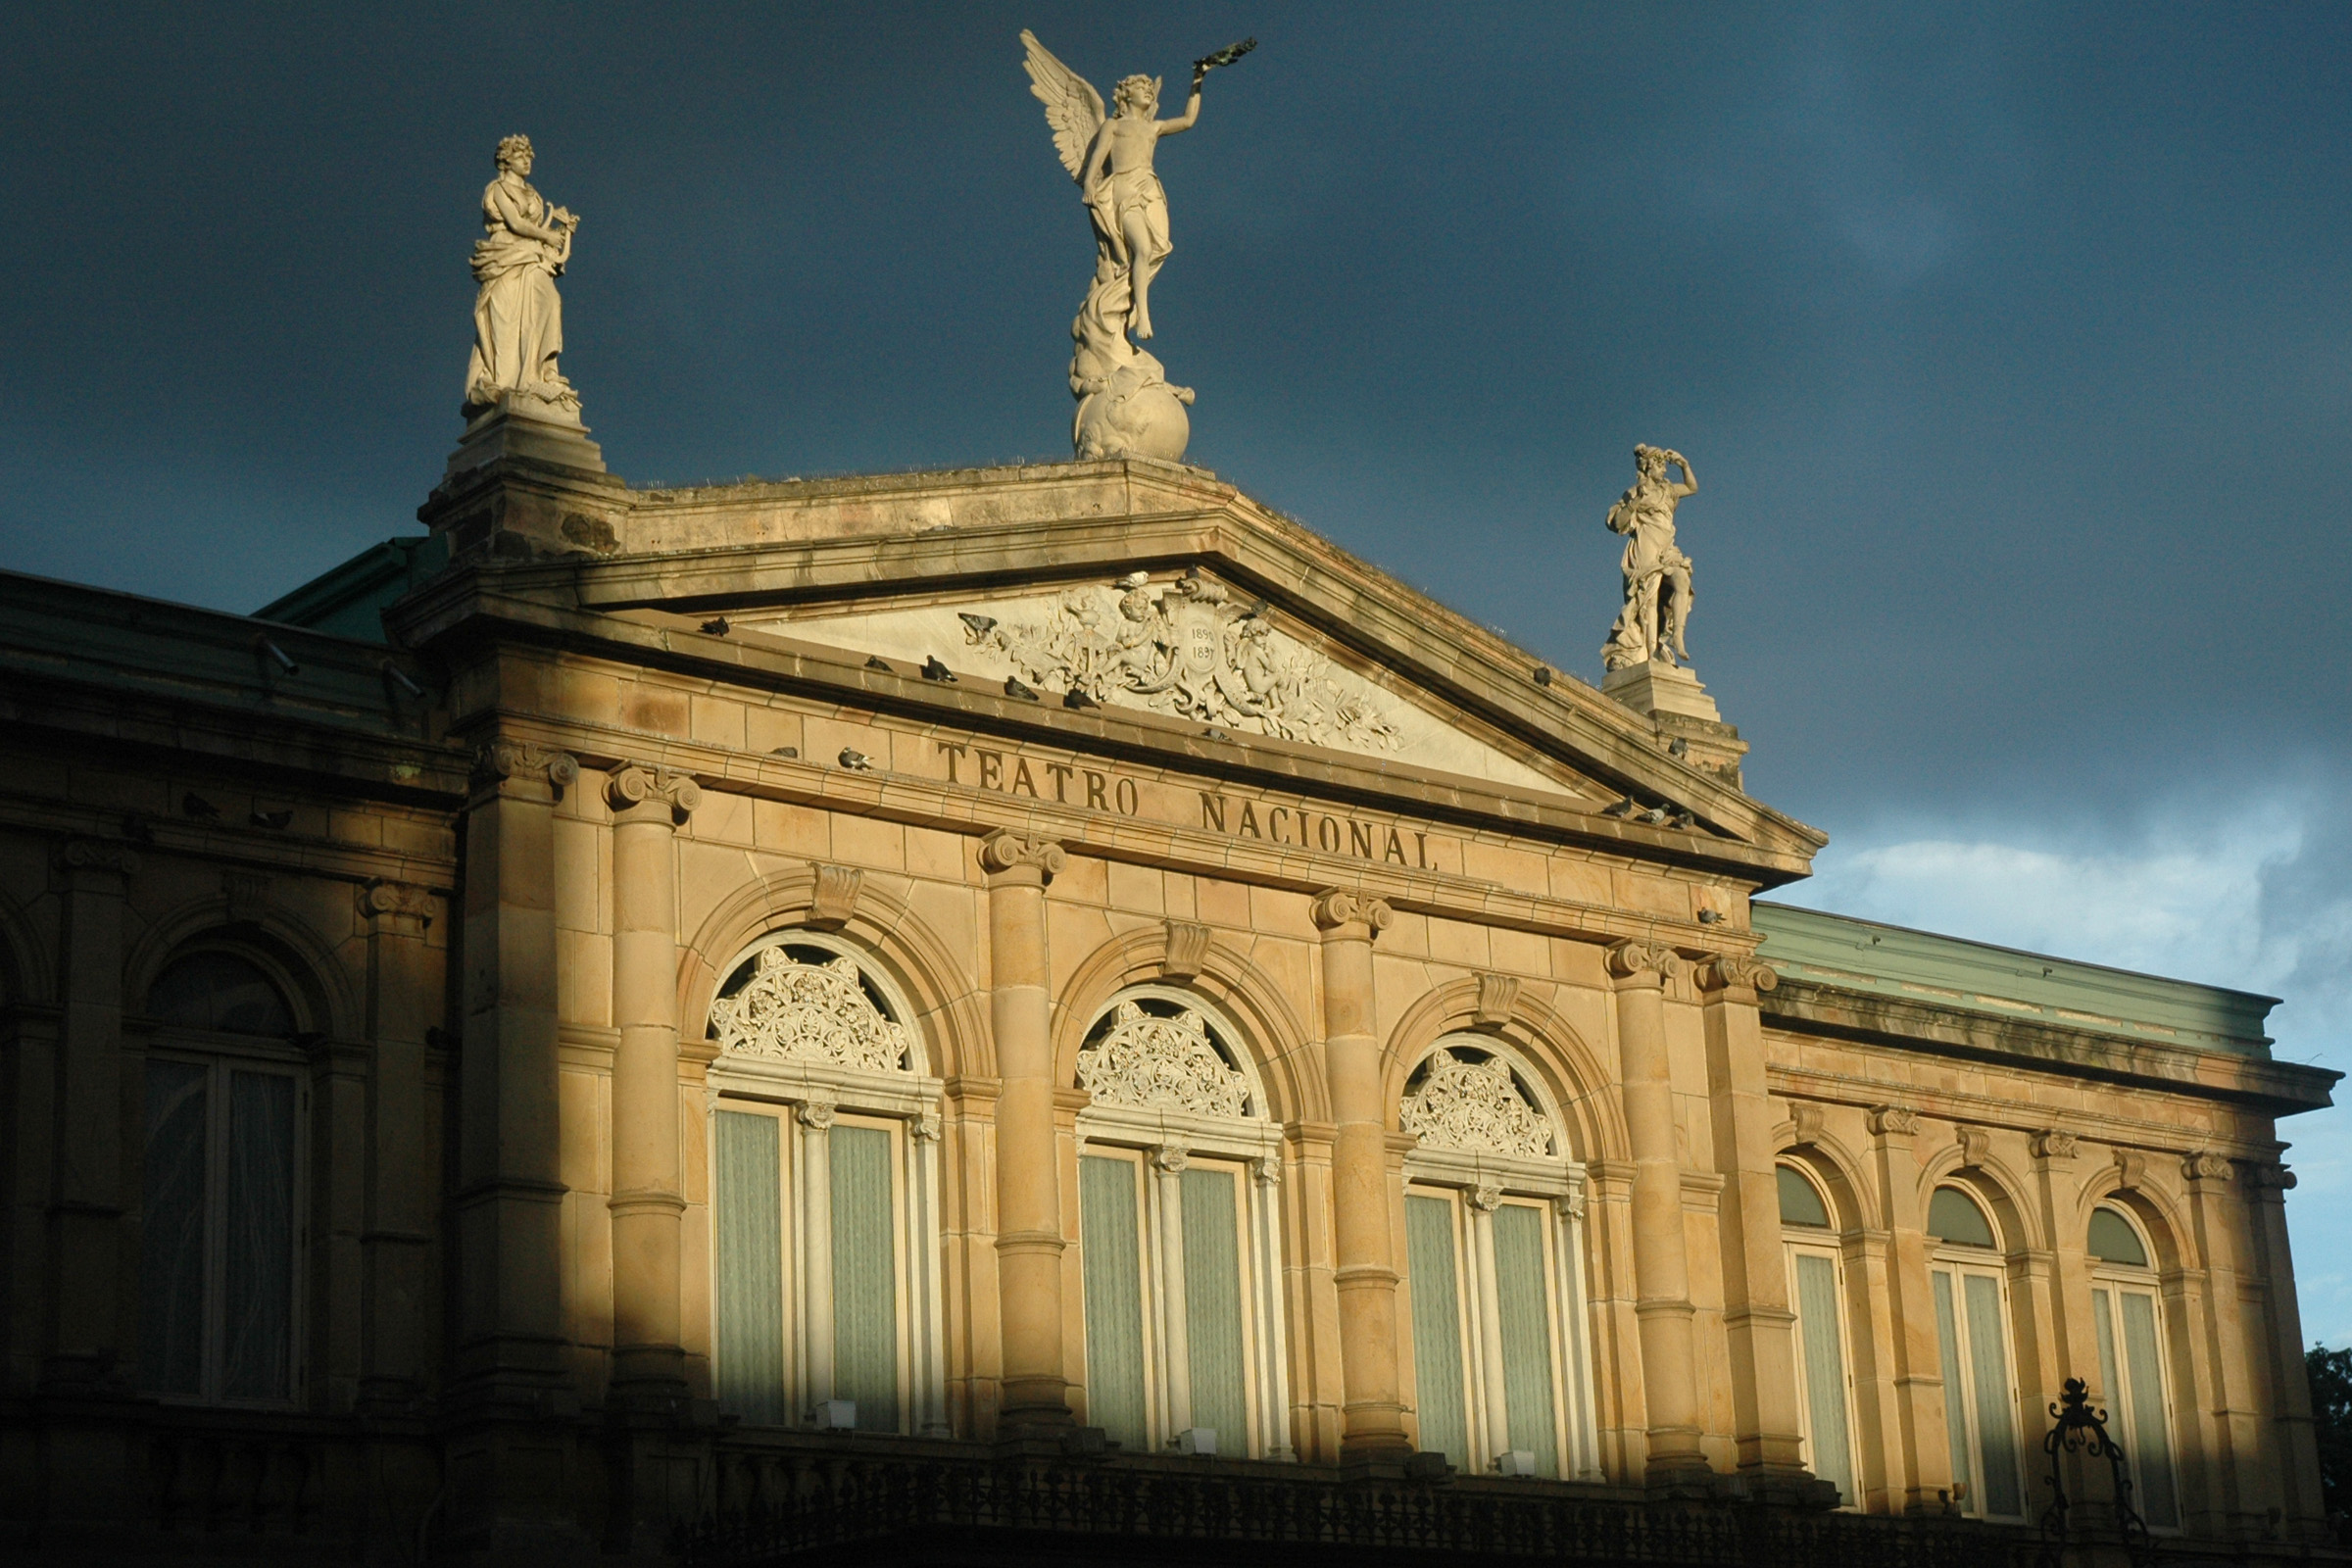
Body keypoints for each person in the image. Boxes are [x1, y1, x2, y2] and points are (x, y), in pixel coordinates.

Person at [1076, 66, 1203, 342]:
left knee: (1159, 247)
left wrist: (1197, 82)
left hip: (1150, 187)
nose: (1147, 89)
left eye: (1149, 87)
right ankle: (1142, 314)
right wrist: (1089, 183)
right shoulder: (1114, 125)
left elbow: (1189, 120)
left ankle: (1130, 298)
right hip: (1124, 188)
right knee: (1143, 249)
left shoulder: (1153, 126)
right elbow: (1099, 154)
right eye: (1140, 86)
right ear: (1125, 94)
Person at [465, 134, 581, 415]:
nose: (527, 161)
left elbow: (541, 233)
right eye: (520, 156)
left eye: (529, 156)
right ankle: (513, 381)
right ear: (506, 161)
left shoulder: (535, 195)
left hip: (534, 258)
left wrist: (563, 234)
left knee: (549, 302)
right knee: (507, 323)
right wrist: (547, 235)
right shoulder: (497, 189)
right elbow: (515, 223)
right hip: (505, 257)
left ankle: (543, 373)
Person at [1602, 445, 1698, 669]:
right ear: (1648, 467)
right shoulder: (1634, 492)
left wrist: (1684, 464)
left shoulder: (1669, 490)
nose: (1664, 470)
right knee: (1649, 601)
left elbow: (1692, 487)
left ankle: (1677, 636)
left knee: (1682, 580)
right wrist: (1635, 503)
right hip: (1645, 548)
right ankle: (1651, 651)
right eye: (1660, 465)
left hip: (1667, 549)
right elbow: (1616, 523)